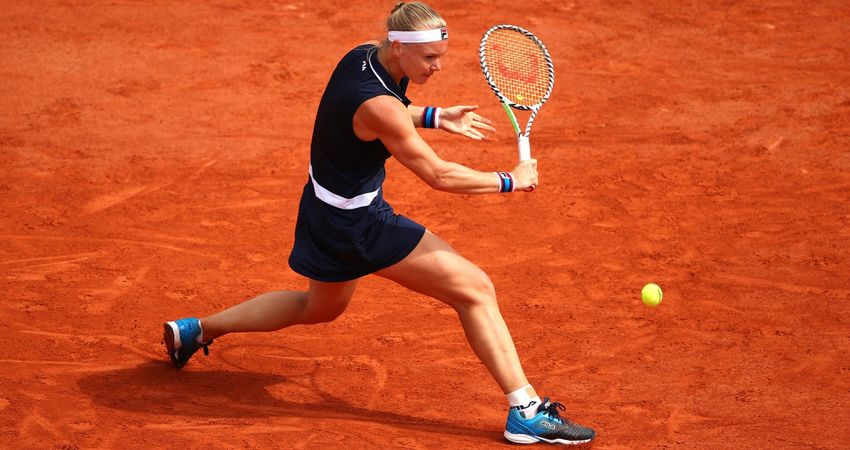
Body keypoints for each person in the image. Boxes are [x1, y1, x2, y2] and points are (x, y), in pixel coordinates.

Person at [163, 2, 594, 445]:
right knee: (475, 289)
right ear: (398, 46)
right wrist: (509, 181)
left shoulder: (361, 57)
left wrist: (434, 115)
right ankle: (523, 409)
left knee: (319, 308)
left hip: (322, 210)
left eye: (440, 55)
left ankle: (199, 330)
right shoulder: (379, 104)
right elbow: (438, 175)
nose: (437, 66)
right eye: (428, 57)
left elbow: (378, 112)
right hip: (359, 225)